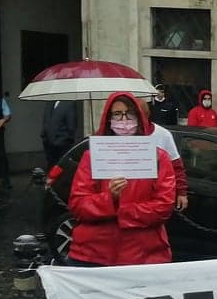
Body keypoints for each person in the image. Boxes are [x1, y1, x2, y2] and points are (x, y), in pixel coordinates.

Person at [65, 92, 176, 266]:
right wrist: (109, 198)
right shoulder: (91, 156)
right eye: (117, 114)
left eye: (129, 113)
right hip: (93, 253)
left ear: (139, 118)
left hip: (144, 254)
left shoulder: (159, 158)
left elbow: (164, 206)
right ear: (108, 119)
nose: (124, 120)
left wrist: (121, 209)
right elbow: (78, 205)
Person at [39, 98, 79, 169]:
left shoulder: (69, 103)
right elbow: (46, 121)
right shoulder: (50, 103)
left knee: (61, 171)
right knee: (51, 171)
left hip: (62, 146)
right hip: (48, 146)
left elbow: (72, 127)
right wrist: (44, 137)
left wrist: (61, 140)